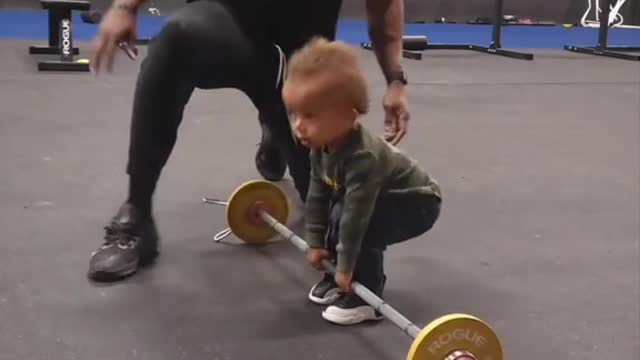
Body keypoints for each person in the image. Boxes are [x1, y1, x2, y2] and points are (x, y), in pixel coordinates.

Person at [87, 0, 412, 282]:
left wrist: (395, 80)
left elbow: (384, 7)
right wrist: (125, 7)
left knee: (331, 227)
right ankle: (137, 214)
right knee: (176, 39)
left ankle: (278, 124)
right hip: (230, 29)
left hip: (301, 69)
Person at [281, 38, 442, 325]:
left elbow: (356, 218)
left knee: (356, 221)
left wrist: (345, 267)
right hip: (381, 198)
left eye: (310, 115)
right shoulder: (322, 146)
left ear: (348, 116)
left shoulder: (362, 157)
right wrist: (317, 244)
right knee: (334, 208)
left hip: (418, 201)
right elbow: (316, 196)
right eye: (294, 114)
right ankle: (336, 280)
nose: (298, 126)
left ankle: (368, 297)